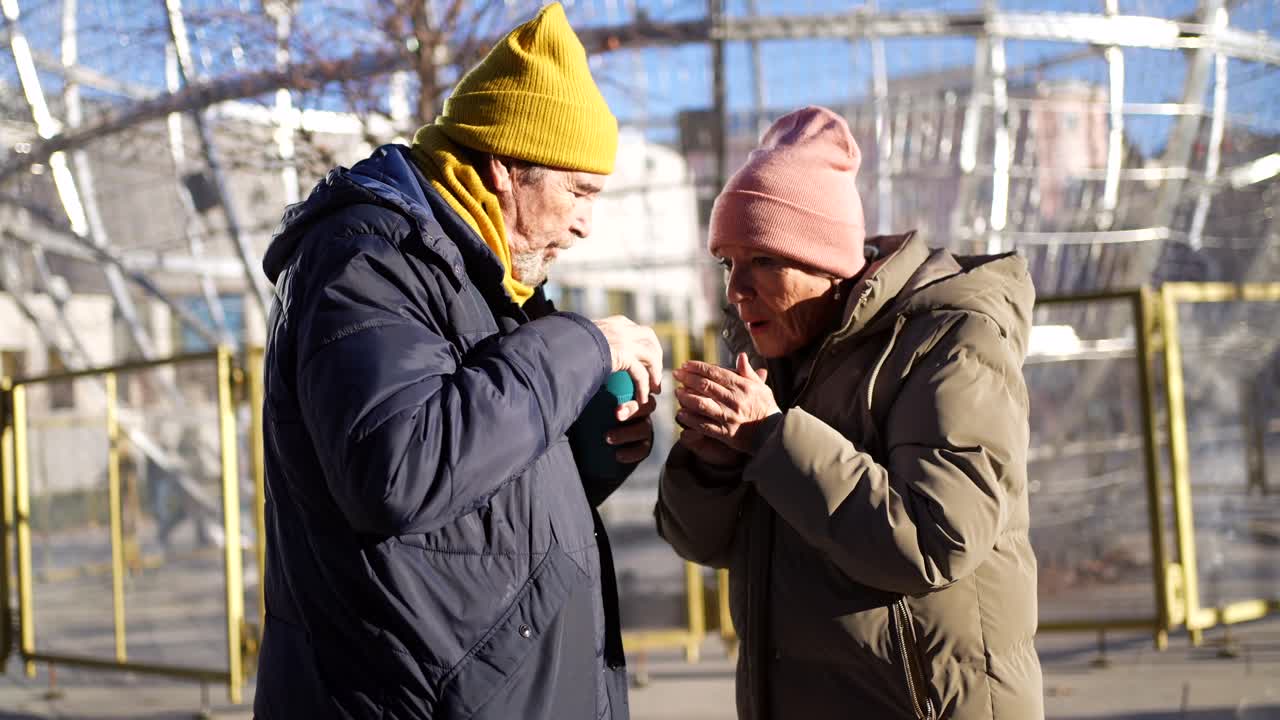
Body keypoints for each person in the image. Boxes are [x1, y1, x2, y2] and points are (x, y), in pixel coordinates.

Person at [254, 5, 662, 718]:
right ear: (505, 169)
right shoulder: (366, 259)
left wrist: (591, 451)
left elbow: (474, 501)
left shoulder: (485, 278)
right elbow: (398, 468)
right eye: (578, 191)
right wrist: (580, 343)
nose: (585, 222)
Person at [655, 106, 1043, 719]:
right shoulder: (772, 356)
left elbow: (934, 540)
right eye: (727, 262)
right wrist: (712, 467)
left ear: (826, 261)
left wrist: (772, 437)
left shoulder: (953, 340)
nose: (735, 289)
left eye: (762, 260)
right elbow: (701, 543)